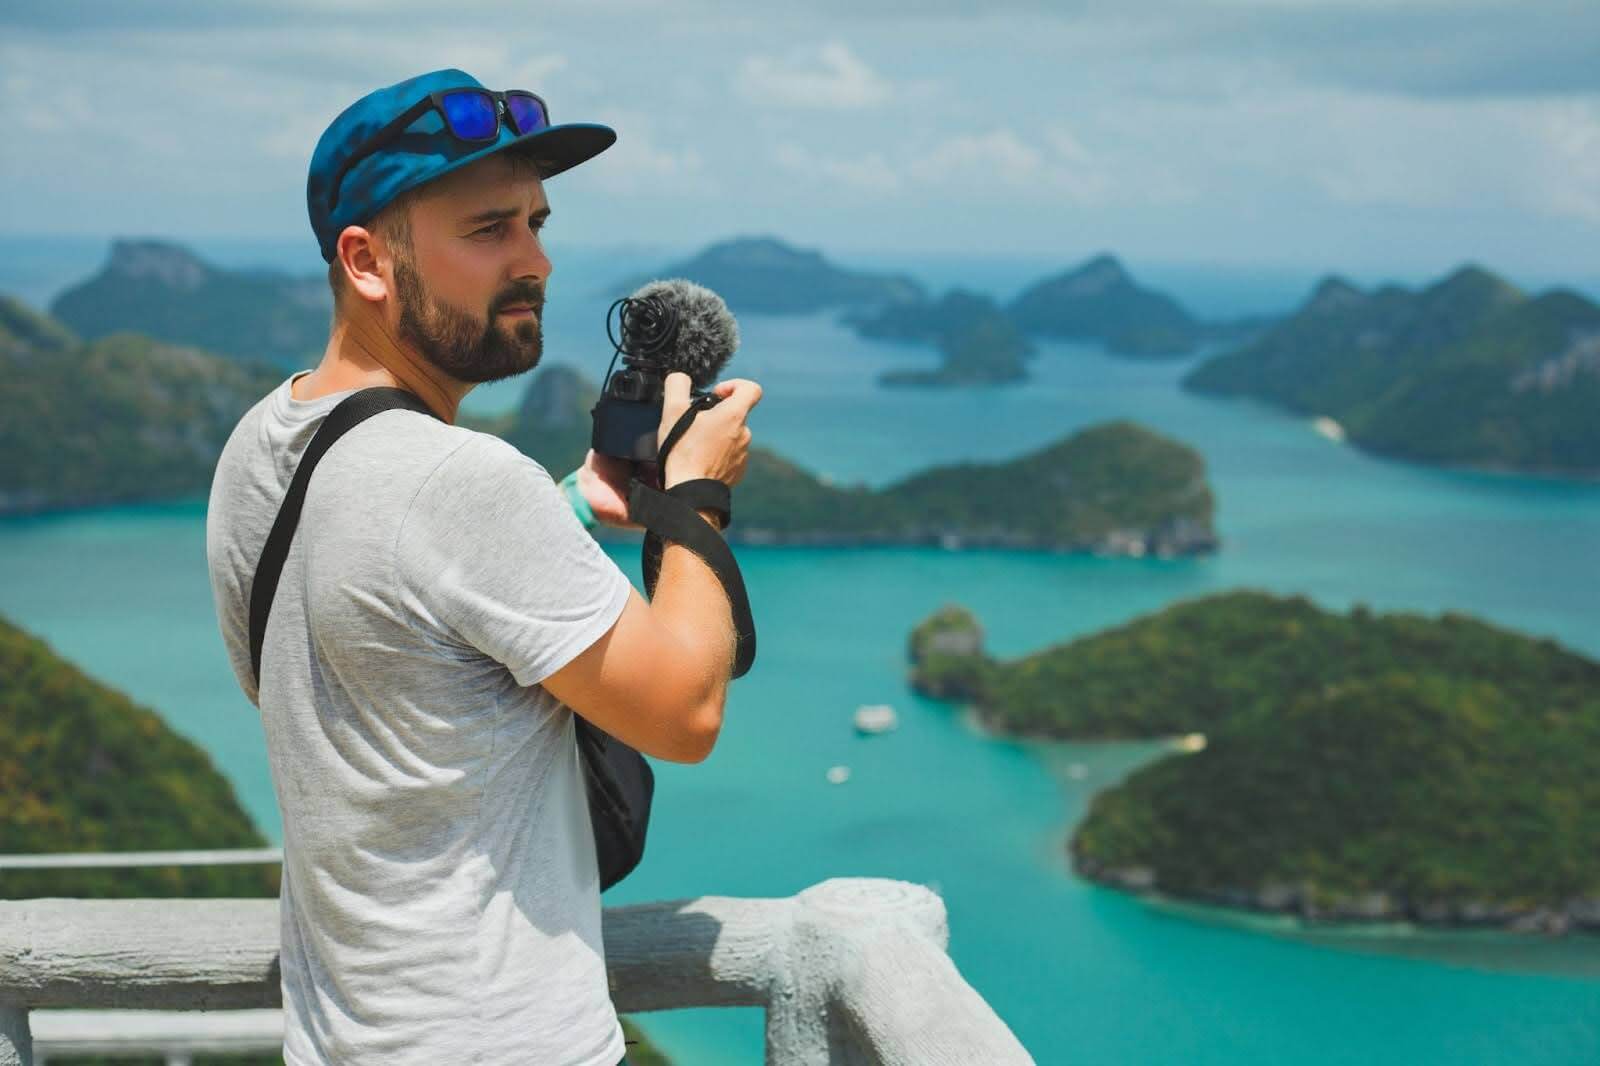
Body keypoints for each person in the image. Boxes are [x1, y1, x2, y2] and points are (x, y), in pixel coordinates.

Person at [205, 68, 760, 1066]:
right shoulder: (460, 482)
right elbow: (685, 713)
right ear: (368, 261)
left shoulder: (262, 439)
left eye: (537, 223)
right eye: (488, 229)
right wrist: (695, 494)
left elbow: (350, 645)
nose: (536, 260)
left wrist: (567, 508)